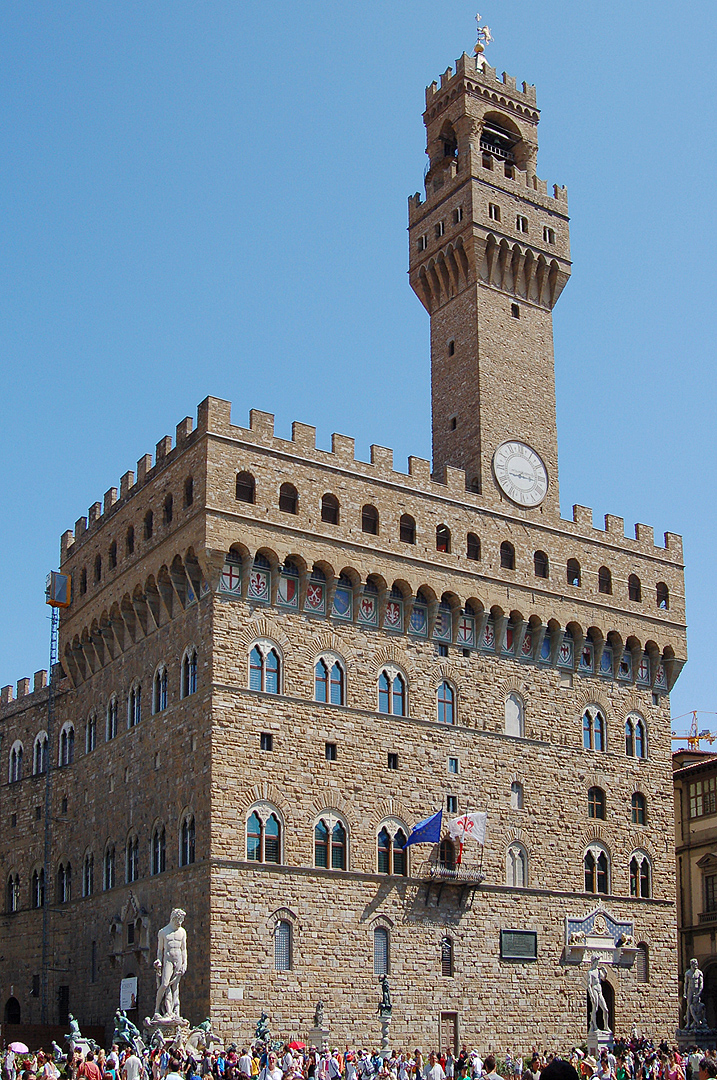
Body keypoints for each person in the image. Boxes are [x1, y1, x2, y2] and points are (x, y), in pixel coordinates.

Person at [154, 909, 188, 1019]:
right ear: (173, 919)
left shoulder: (182, 932)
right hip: (168, 959)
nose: (180, 923)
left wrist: (184, 963)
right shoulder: (163, 932)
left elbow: (184, 949)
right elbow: (160, 951)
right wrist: (158, 960)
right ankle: (157, 1009)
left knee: (175, 986)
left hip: (178, 958)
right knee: (165, 984)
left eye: (181, 921)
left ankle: (174, 1011)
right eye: (178, 920)